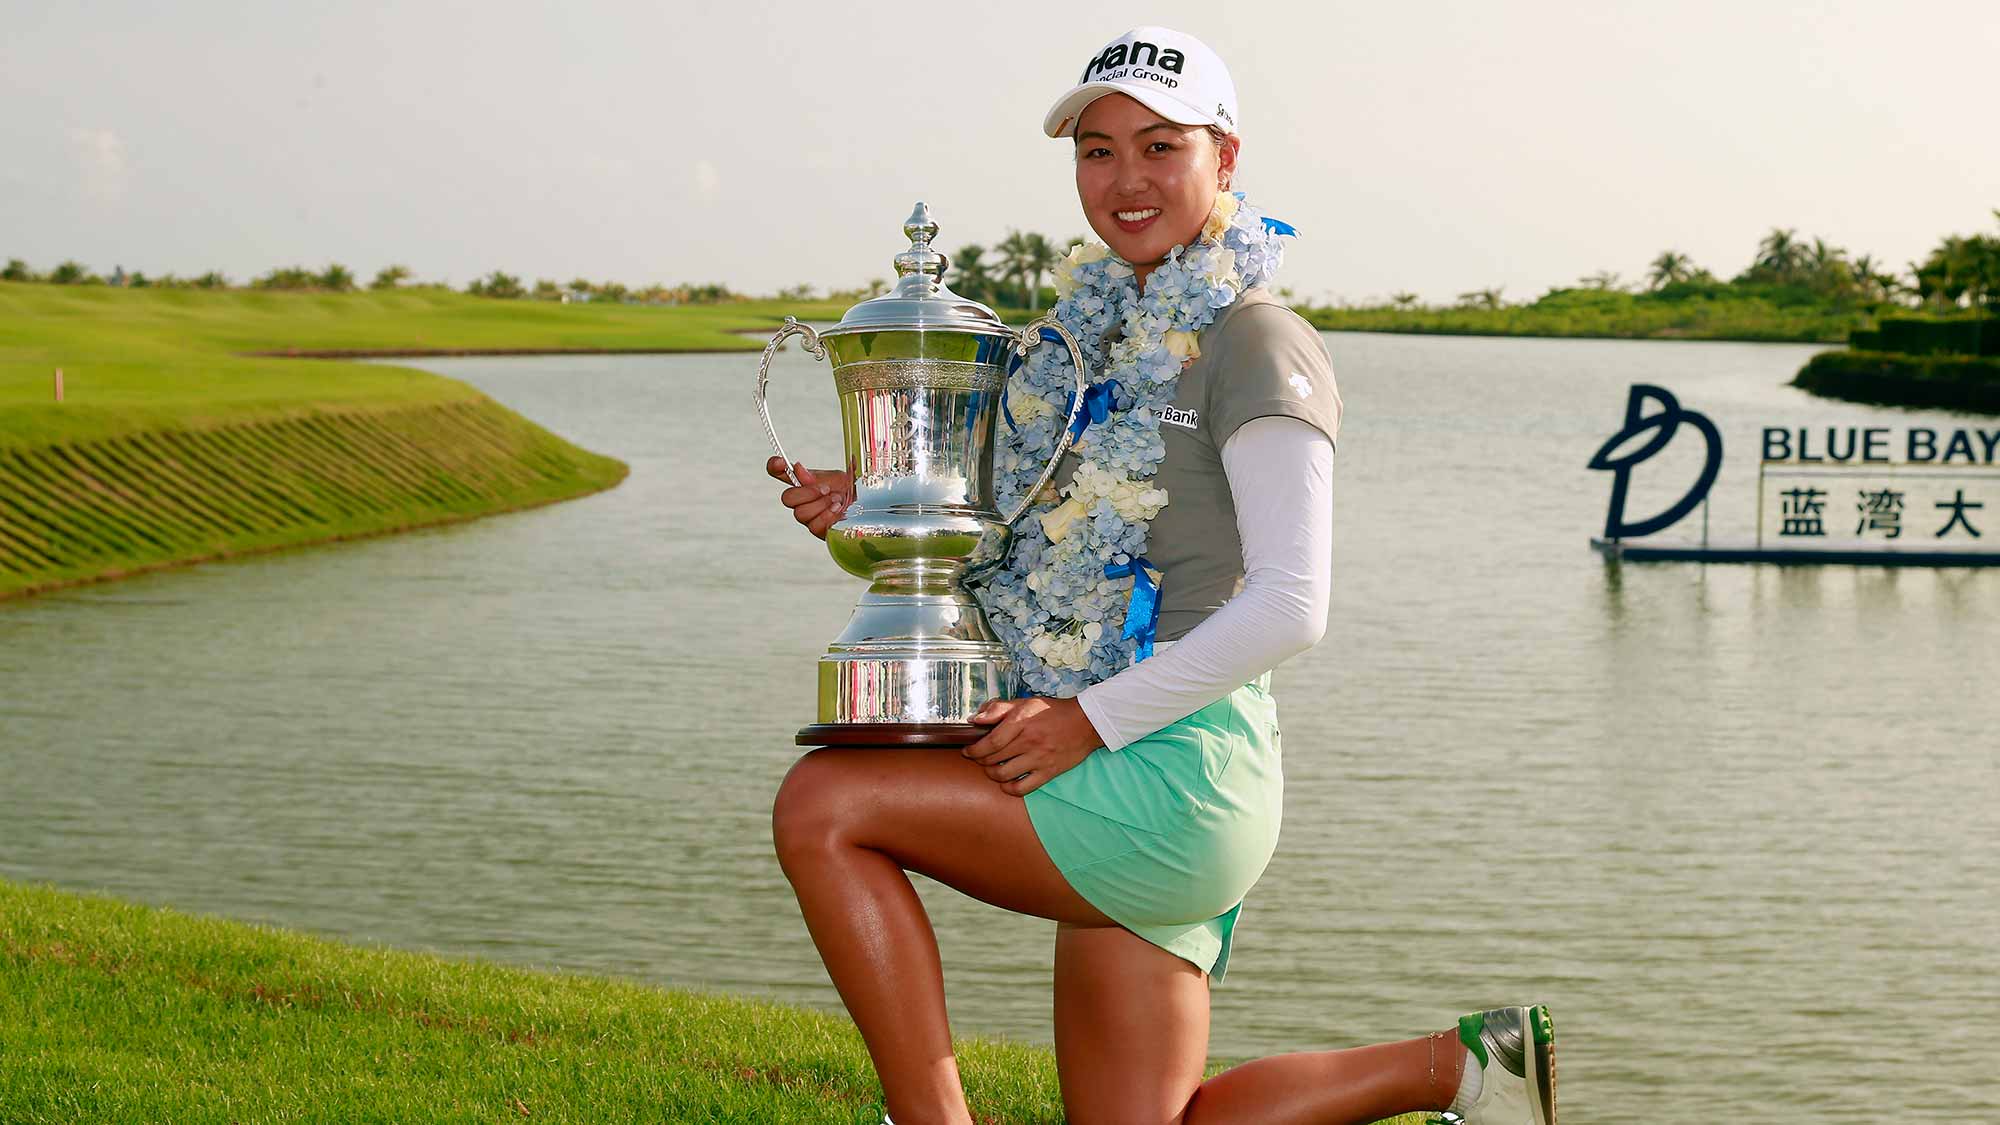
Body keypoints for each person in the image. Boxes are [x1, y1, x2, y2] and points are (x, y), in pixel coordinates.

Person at [765, 26, 1557, 1125]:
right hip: (1106, 748)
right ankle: (1467, 1067)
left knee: (825, 804)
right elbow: (1012, 541)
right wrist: (875, 513)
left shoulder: (1256, 341)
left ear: (1223, 158)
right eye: (1096, 151)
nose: (1125, 179)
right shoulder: (1077, 344)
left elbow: (1292, 604)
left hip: (1171, 768)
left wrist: (1087, 722)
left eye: (1159, 146)